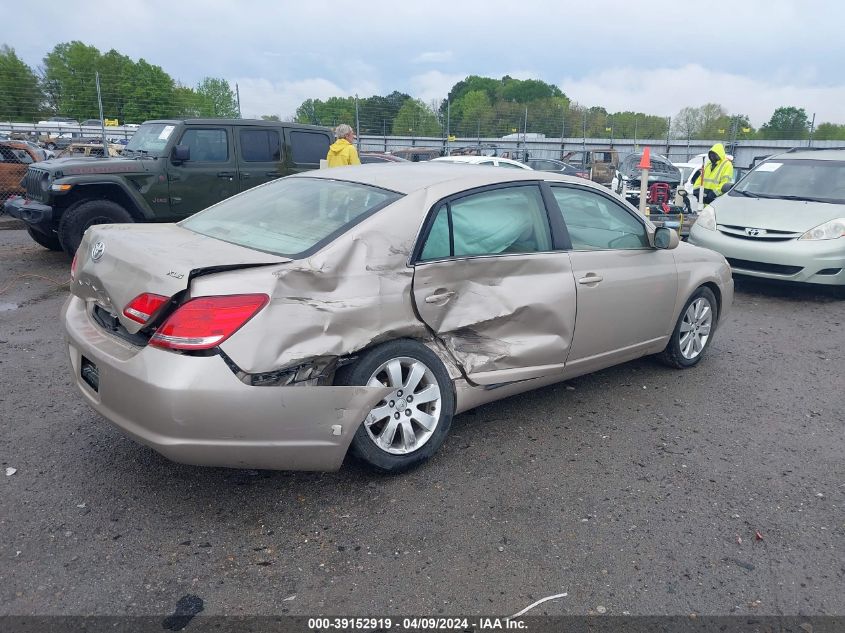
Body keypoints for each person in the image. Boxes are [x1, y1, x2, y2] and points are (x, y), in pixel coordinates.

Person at [687, 143, 734, 210]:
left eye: (714, 155)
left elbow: (725, 183)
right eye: (711, 155)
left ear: (719, 154)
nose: (712, 157)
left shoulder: (727, 165)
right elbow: (701, 178)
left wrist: (714, 193)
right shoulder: (709, 165)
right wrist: (696, 189)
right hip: (704, 200)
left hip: (716, 200)